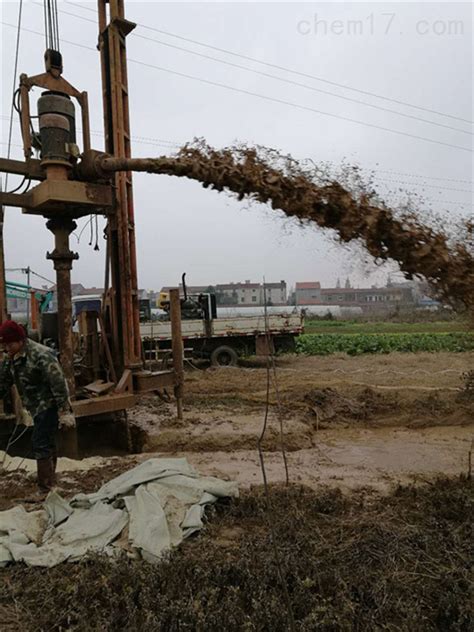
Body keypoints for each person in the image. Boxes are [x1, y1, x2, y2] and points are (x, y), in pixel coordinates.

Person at [0, 320, 75, 493]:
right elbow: (4, 381)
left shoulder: (41, 354)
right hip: (34, 405)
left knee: (40, 442)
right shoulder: (10, 357)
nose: (6, 348)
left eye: (9, 344)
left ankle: (45, 488)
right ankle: (49, 477)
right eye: (4, 345)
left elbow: (58, 383)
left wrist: (64, 410)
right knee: (45, 442)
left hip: (48, 405)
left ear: (20, 340)